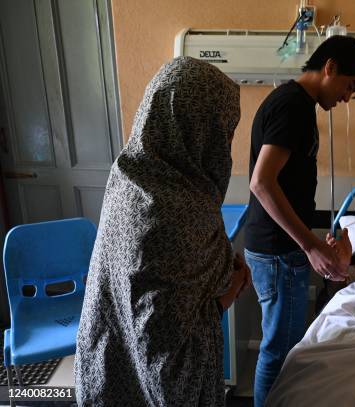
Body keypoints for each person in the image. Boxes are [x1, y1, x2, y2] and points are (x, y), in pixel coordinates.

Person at [75, 57, 251, 406]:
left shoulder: (128, 176)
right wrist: (228, 292)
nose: (227, 143)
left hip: (105, 368)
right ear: (199, 129)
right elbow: (166, 360)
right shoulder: (181, 212)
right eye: (224, 131)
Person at [243, 35, 355, 407]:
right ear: (329, 67)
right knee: (279, 353)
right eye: (349, 86)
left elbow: (284, 185)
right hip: (278, 253)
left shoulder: (297, 104)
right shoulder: (293, 106)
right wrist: (310, 245)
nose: (347, 98)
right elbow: (262, 184)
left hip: (280, 249)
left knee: (284, 348)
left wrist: (314, 241)